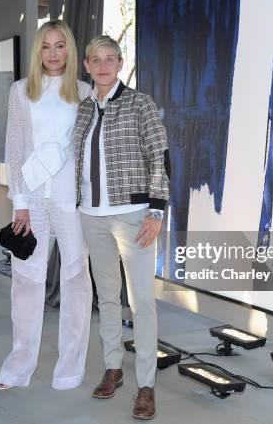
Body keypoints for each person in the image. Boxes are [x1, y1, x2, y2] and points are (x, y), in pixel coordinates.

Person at [72, 35, 170, 420]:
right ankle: (113, 367)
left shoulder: (139, 103)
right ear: (86, 65)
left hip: (134, 215)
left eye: (109, 59)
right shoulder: (82, 110)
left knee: (142, 301)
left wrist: (156, 211)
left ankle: (146, 385)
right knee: (108, 298)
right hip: (91, 216)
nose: (102, 66)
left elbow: (159, 154)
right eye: (95, 60)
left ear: (120, 62)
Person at [0, 20, 93, 391]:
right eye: (46, 47)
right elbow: (15, 147)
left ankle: (70, 369)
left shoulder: (84, 92)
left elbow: (82, 146)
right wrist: (19, 201)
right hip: (31, 201)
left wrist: (56, 157)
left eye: (60, 46)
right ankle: (17, 369)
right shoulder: (20, 92)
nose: (53, 54)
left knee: (75, 282)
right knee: (25, 282)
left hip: (71, 200)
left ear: (69, 50)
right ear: (37, 51)